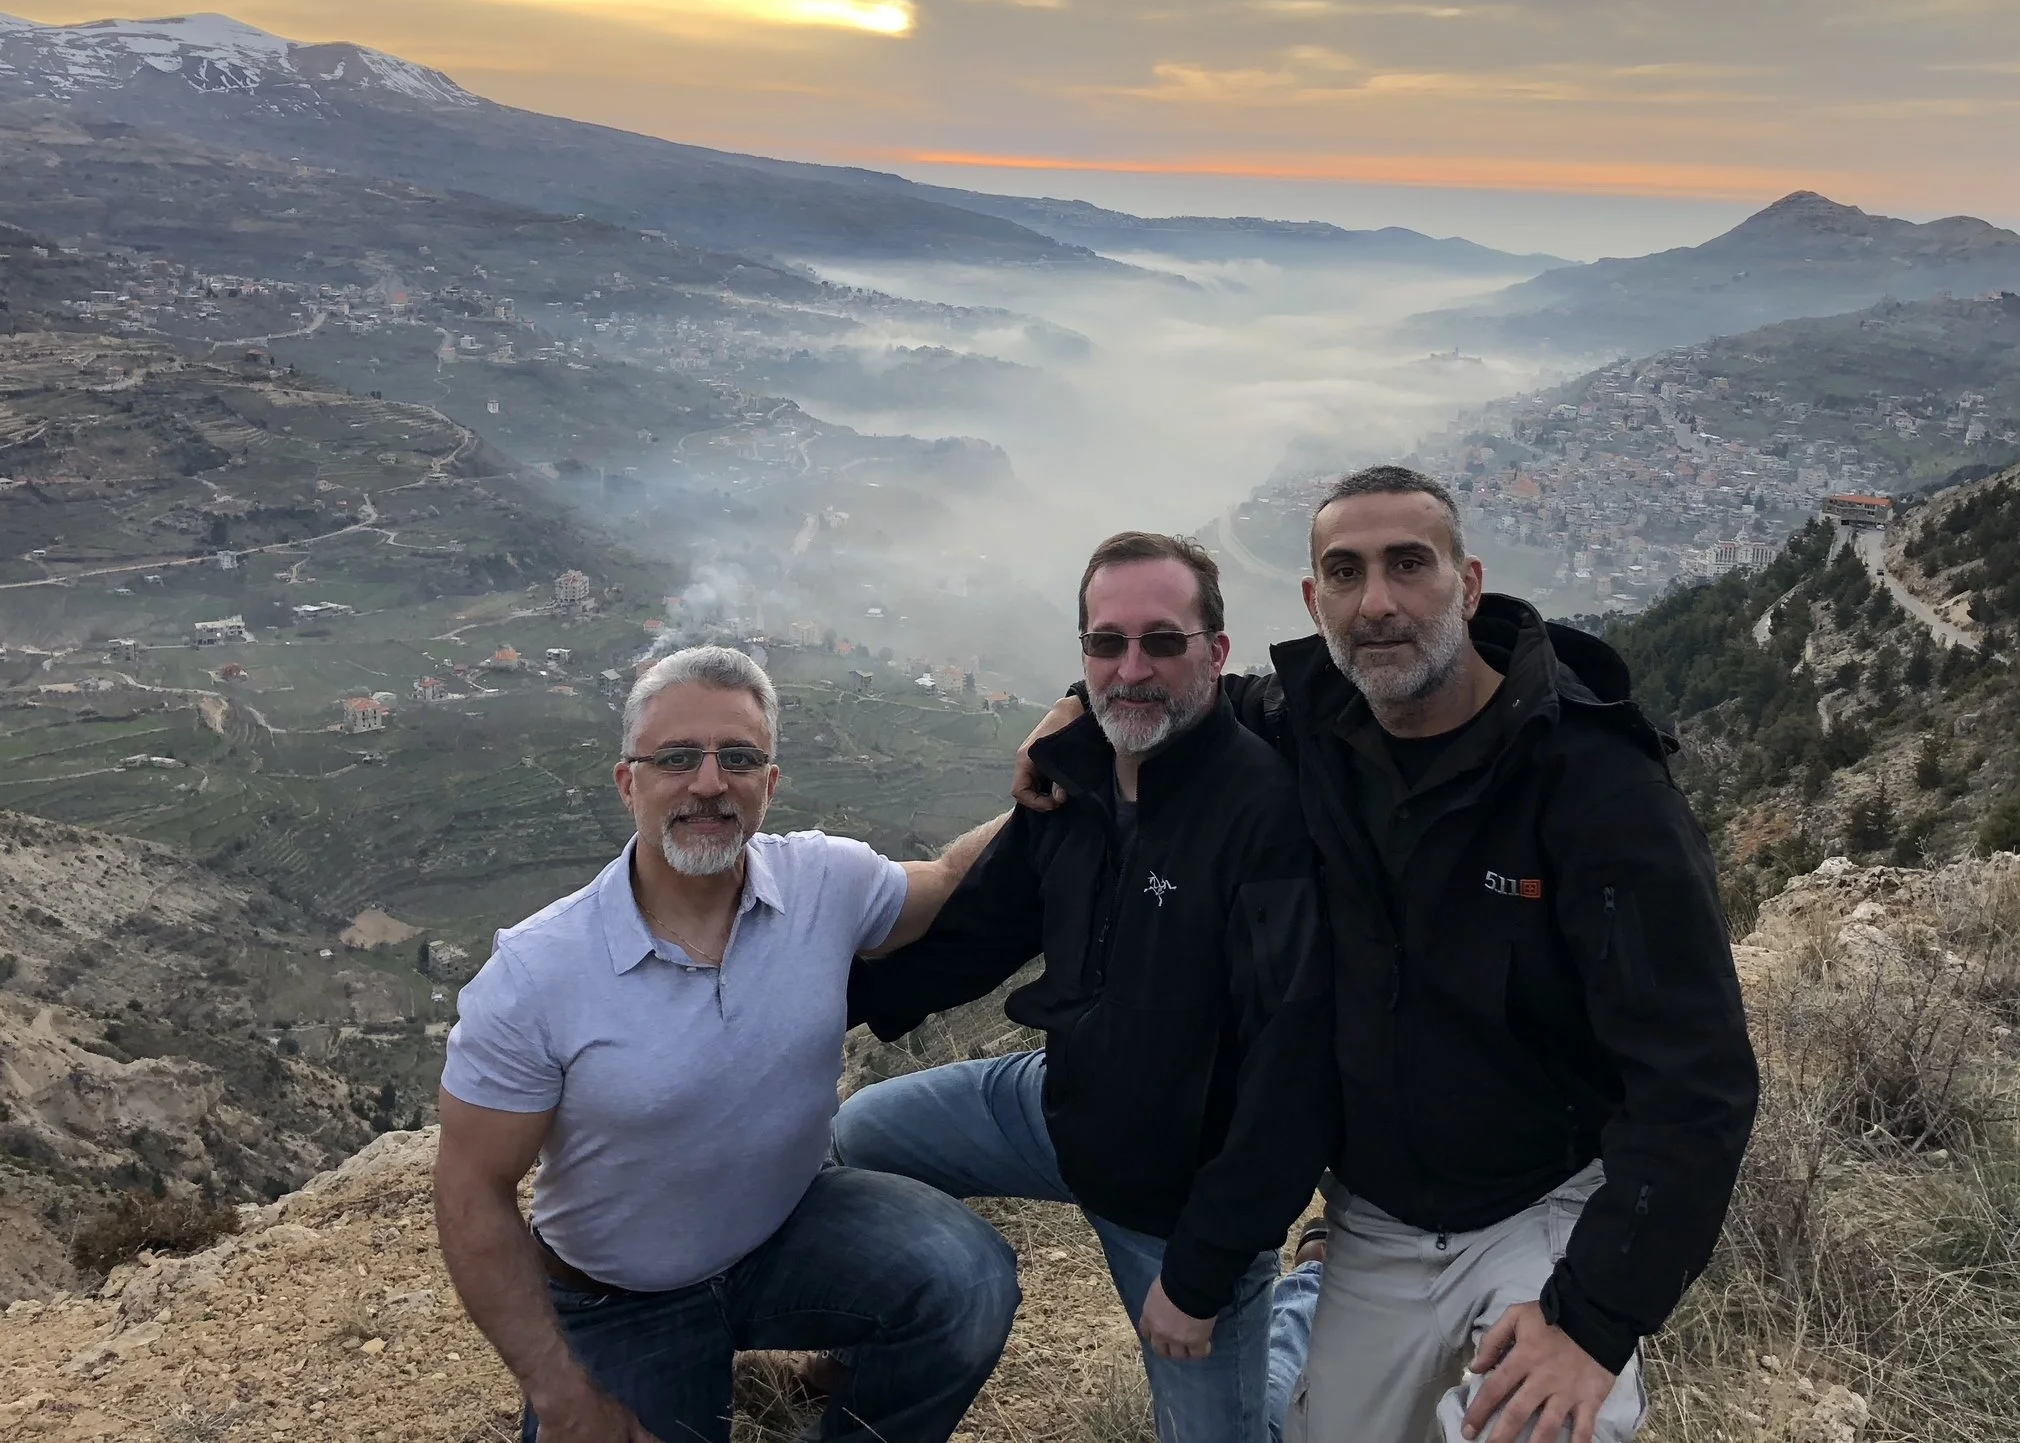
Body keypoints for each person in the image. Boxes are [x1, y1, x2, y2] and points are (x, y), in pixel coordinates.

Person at [1016, 469, 1759, 1443]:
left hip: (1541, 1201)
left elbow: (1696, 1076)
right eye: (1344, 572)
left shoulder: (1593, 787)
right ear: (1313, 600)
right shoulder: (1305, 725)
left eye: (1409, 565)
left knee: (1544, 1428)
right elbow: (1178, 690)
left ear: (1468, 582)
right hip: (1374, 1212)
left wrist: (1594, 1321)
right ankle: (1315, 1281)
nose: (1377, 603)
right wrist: (1076, 708)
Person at [435, 643, 1020, 1443]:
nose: (709, 782)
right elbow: (471, 1188)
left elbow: (952, 878)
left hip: (784, 1234)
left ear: (768, 784)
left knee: (967, 1279)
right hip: (620, 1301)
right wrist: (565, 1398)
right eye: (677, 757)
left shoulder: (825, 883)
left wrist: (1060, 779)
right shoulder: (537, 973)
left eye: (737, 757)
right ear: (627, 781)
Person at [839, 532, 1338, 1443]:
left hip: (1180, 1195)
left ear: (1217, 653)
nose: (1131, 667)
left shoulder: (1263, 819)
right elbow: (973, 936)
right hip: (1060, 1108)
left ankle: (1308, 1297)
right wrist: (805, 1000)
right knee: (856, 1133)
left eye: (1161, 641)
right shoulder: (1077, 783)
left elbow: (1291, 1069)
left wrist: (1201, 1271)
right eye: (1106, 644)